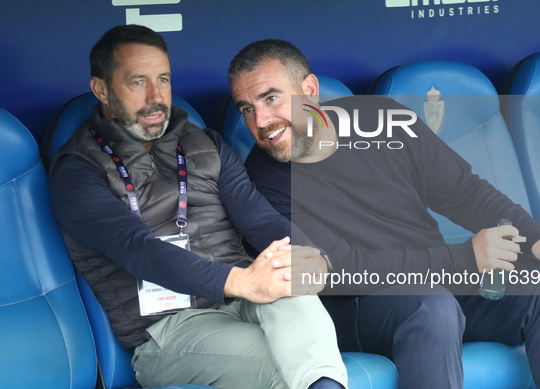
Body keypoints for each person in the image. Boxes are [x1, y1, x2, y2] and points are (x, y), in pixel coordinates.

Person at [228, 39, 540, 389]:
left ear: (309, 89)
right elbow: (337, 269)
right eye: (246, 108)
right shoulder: (262, 176)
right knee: (430, 307)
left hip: (437, 283)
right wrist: (464, 258)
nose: (261, 120)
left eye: (271, 98)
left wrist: (534, 236)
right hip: (356, 305)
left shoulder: (383, 120)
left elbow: (463, 191)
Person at [49, 26, 349, 389]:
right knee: (287, 369)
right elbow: (139, 250)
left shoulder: (203, 144)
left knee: (295, 298)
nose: (155, 96)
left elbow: (259, 219)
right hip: (170, 330)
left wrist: (309, 257)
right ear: (101, 90)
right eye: (137, 82)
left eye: (162, 79)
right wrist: (240, 281)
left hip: (247, 299)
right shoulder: (78, 170)